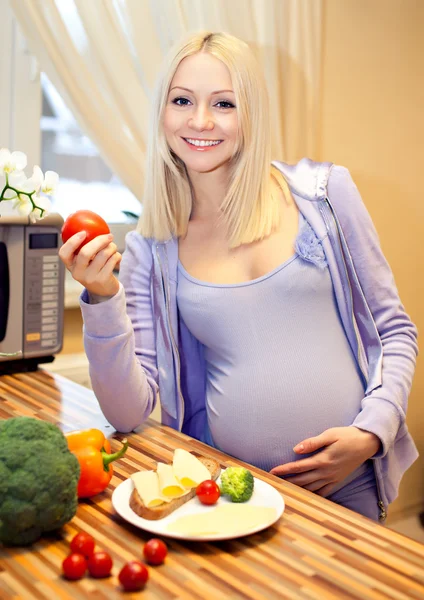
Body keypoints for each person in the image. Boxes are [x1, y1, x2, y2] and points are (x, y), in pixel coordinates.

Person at [59, 31, 418, 522]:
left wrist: (372, 433)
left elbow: (394, 330)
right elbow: (128, 413)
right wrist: (102, 297)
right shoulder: (153, 248)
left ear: (251, 112)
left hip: (346, 485)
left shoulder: (325, 196)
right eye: (182, 100)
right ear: (162, 113)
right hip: (231, 497)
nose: (200, 121)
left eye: (224, 103)